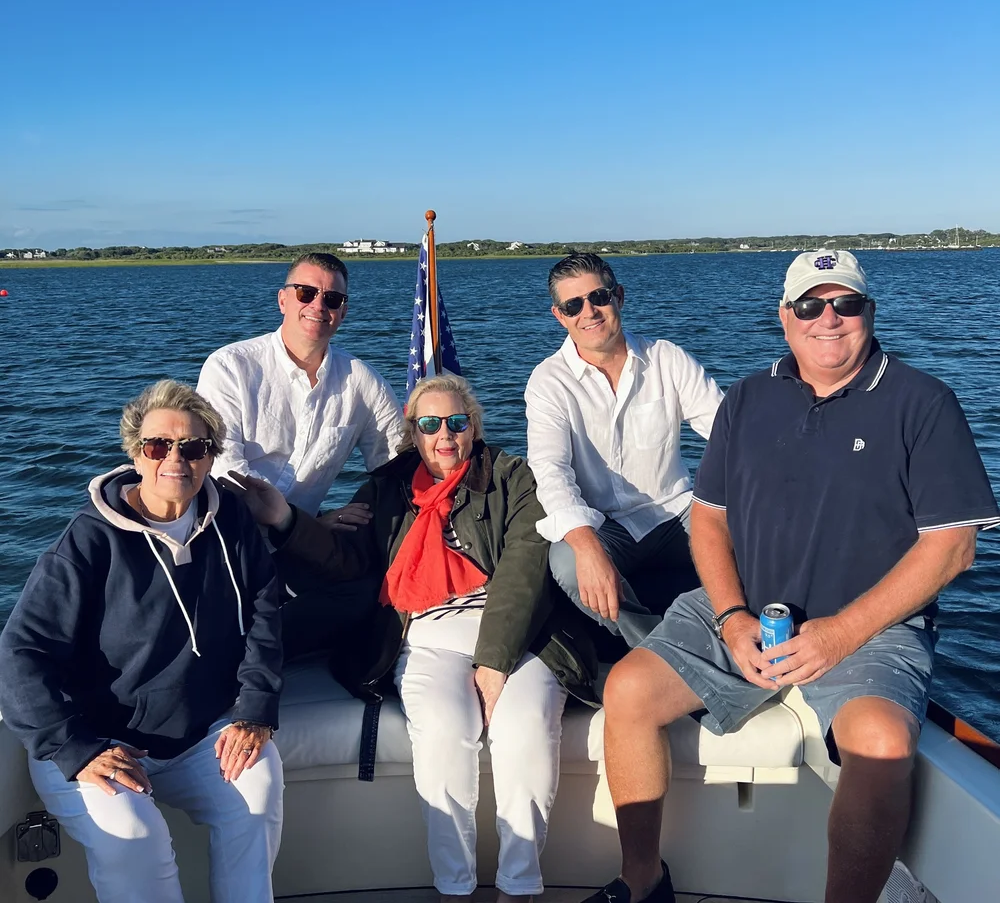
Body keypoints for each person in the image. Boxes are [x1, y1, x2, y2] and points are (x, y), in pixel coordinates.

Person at [585, 250, 1000, 903]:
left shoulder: (922, 401)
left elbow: (952, 547)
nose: (827, 319)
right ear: (785, 317)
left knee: (881, 740)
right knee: (629, 689)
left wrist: (840, 633)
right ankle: (642, 879)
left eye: (845, 304)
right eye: (810, 305)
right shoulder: (749, 397)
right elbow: (709, 518)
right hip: (743, 608)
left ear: (870, 312)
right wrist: (731, 615)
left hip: (873, 625)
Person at [230, 374, 597, 903]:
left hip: (521, 638)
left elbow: (525, 566)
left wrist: (493, 662)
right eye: (430, 424)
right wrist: (285, 519)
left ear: (473, 427)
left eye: (456, 422)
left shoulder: (514, 477)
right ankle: (455, 888)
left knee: (524, 729)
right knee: (445, 732)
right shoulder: (386, 488)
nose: (444, 435)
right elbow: (348, 563)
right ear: (413, 433)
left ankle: (519, 888)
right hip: (423, 635)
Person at [0, 380, 284, 903]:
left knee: (258, 789)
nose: (175, 459)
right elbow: (20, 651)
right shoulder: (87, 541)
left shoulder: (233, 523)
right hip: (97, 741)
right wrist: (74, 747)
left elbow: (265, 612)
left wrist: (255, 709)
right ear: (135, 452)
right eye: (158, 446)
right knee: (136, 839)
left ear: (210, 457)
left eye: (193, 447)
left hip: (199, 734)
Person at [197, 251, 405, 659]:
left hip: (295, 546)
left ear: (342, 312)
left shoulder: (362, 382)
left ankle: (256, 650)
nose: (318, 306)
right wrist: (304, 524)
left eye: (332, 299)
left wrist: (356, 513)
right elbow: (230, 475)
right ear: (283, 300)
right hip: (223, 542)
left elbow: (396, 465)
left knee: (367, 592)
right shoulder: (232, 368)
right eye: (306, 292)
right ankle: (242, 652)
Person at [524, 252, 724, 649]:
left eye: (598, 297)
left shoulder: (666, 359)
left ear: (619, 296)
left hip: (676, 511)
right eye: (573, 305)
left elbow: (726, 433)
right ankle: (664, 655)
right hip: (606, 525)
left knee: (757, 524)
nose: (590, 312)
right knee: (565, 562)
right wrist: (586, 547)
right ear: (559, 316)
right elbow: (550, 470)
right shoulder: (549, 382)